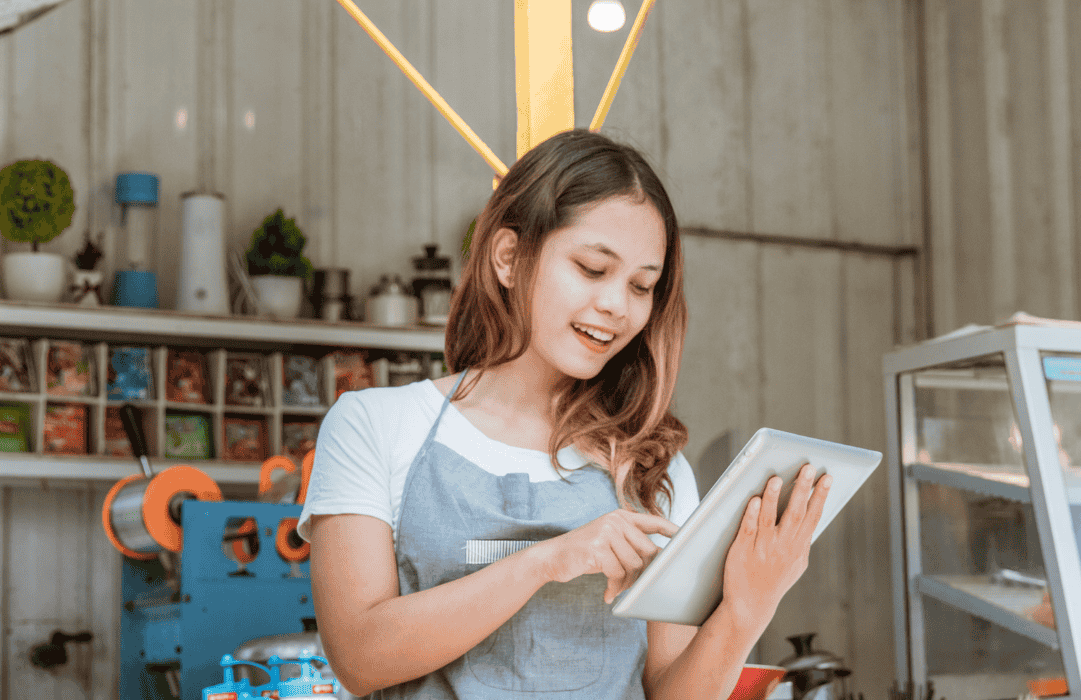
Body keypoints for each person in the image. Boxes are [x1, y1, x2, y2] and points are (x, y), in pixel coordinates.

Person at [299, 130, 832, 699]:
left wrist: (749, 607)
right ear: (508, 258)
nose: (617, 306)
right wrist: (549, 560)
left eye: (641, 285)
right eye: (591, 268)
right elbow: (359, 654)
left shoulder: (654, 465)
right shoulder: (373, 426)